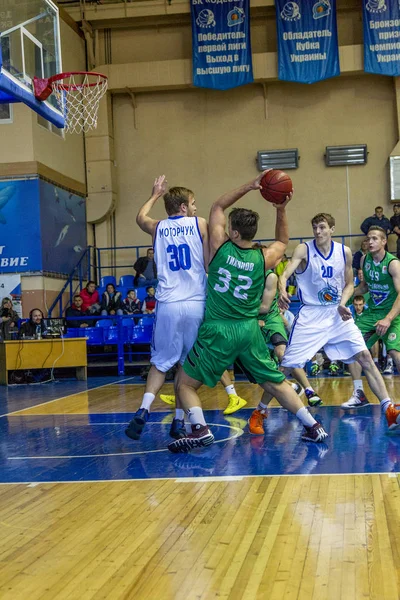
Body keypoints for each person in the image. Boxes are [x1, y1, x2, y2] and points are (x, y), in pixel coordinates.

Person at [168, 172, 328, 454]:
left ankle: (199, 429)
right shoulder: (263, 257)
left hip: (218, 329)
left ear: (234, 232)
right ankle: (313, 426)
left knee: (184, 383)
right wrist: (281, 209)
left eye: (229, 226)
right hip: (249, 329)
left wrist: (251, 185)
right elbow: (283, 240)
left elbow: (217, 206)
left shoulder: (219, 248)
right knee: (275, 382)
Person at [278, 213, 400, 431]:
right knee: (287, 366)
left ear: (332, 229)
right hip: (317, 314)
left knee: (375, 356)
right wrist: (281, 284)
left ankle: (388, 408)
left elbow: (352, 285)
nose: (318, 231)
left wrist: (348, 304)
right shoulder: (308, 250)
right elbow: (287, 272)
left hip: (366, 314)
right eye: (315, 227)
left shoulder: (356, 255)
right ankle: (260, 410)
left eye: (322, 227)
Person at [125, 175, 208, 442]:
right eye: (193, 203)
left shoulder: (157, 227)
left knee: (160, 363)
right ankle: (178, 420)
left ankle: (144, 409)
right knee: (187, 364)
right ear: (183, 207)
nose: (195, 207)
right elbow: (210, 258)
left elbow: (140, 218)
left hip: (168, 304)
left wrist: (154, 194)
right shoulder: (200, 224)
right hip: (195, 302)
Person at [248, 266, 322, 435]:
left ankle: (309, 390)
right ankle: (263, 407)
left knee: (284, 355)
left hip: (271, 319)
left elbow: (267, 304)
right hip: (249, 322)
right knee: (268, 374)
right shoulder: (244, 273)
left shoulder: (271, 275)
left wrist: (282, 290)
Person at [345, 226, 400, 405]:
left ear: (384, 241)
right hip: (372, 313)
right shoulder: (364, 260)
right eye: (369, 239)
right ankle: (359, 392)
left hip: (393, 313)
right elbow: (364, 287)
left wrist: (388, 319)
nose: (370, 242)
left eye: (375, 238)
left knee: (395, 353)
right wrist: (345, 296)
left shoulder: (393, 264)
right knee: (352, 347)